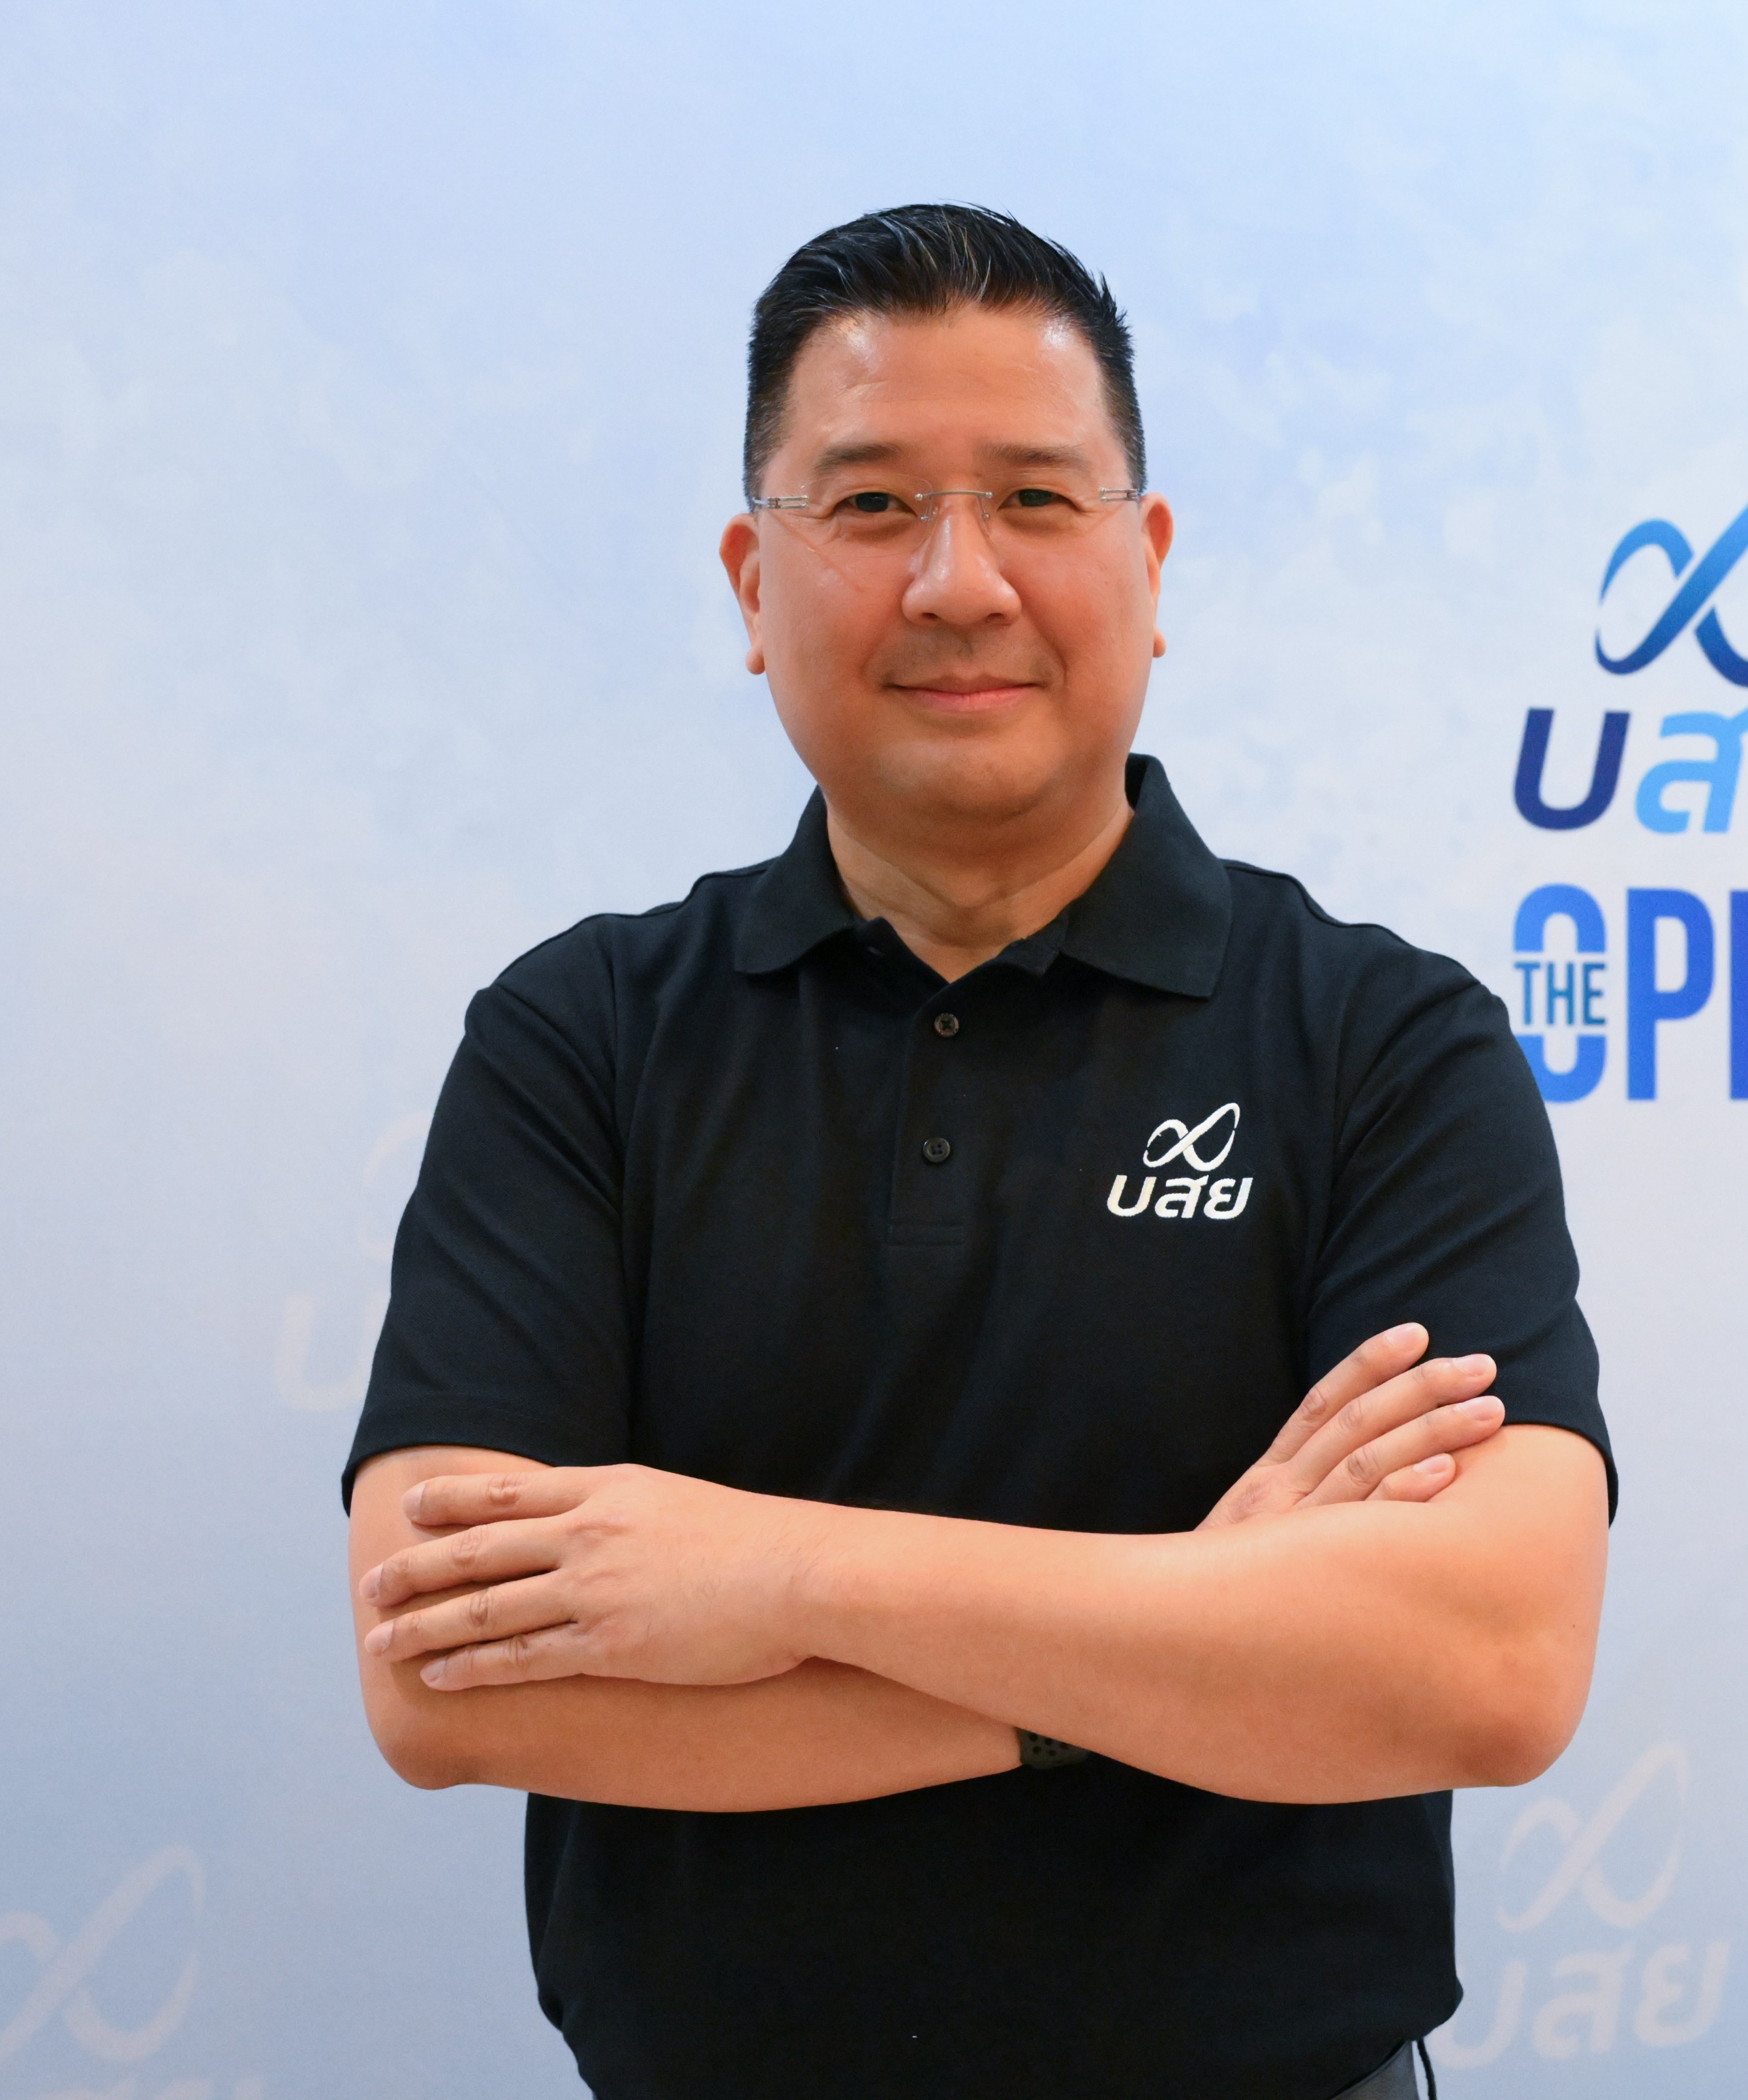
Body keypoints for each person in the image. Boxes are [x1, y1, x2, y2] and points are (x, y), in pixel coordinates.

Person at [338, 204, 1613, 2100]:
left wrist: (777, 1578)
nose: (959, 581)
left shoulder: (1381, 1042)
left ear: (1147, 563)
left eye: (1034, 498)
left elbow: (1487, 1666)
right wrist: (1171, 1642)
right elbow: (445, 1676)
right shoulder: (583, 1040)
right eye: (869, 506)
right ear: (750, 580)